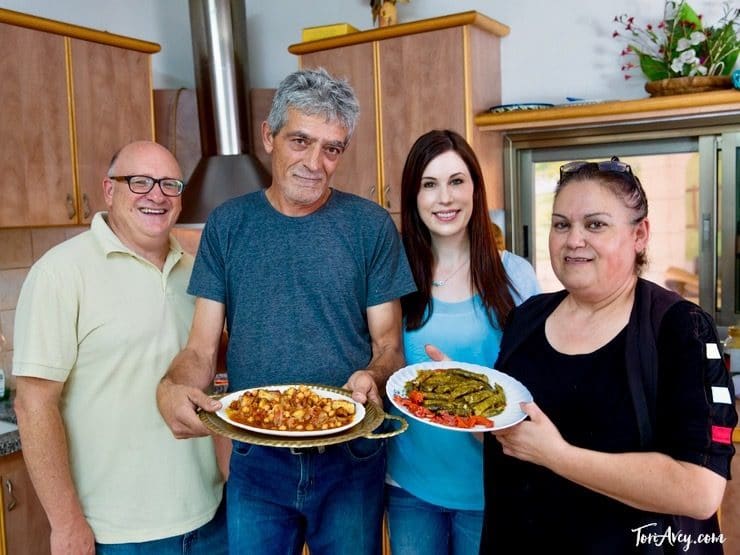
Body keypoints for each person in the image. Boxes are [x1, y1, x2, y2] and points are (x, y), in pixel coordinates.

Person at [155, 67, 416, 555]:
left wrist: (374, 376)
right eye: (300, 140)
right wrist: (173, 386)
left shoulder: (371, 227)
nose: (314, 162)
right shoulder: (227, 226)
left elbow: (389, 346)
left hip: (352, 456)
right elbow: (201, 348)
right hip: (255, 457)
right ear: (268, 137)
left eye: (331, 148)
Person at [479, 157, 737, 553]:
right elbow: (514, 438)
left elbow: (699, 490)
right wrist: (464, 402)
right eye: (562, 224)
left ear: (640, 235)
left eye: (595, 224)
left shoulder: (680, 329)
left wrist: (557, 455)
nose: (574, 239)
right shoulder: (528, 317)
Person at [12, 141, 226, 554]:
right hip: (116, 534)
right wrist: (66, 524)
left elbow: (215, 375)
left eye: (170, 184)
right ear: (109, 190)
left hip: (211, 516)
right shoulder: (60, 273)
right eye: (140, 181)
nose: (157, 195)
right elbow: (33, 405)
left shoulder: (196, 273)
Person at [386, 129, 540, 555]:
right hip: (409, 489)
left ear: (476, 187)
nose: (445, 198)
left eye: (457, 181)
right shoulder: (392, 276)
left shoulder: (516, 276)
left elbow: (538, 382)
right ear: (413, 196)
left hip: (492, 490)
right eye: (429, 185)